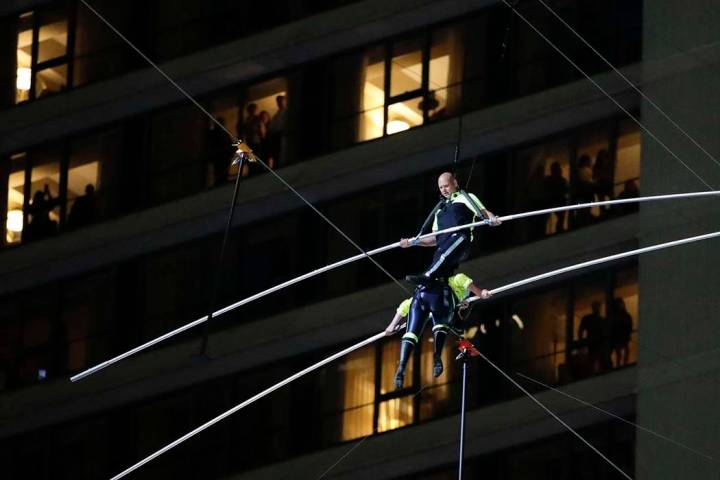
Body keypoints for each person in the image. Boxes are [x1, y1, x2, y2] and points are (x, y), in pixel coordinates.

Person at [386, 273, 491, 389]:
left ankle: (402, 368)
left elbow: (406, 305)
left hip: (426, 298)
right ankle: (435, 358)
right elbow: (474, 291)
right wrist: (481, 293)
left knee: (414, 333)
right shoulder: (457, 280)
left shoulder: (459, 299)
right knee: (443, 324)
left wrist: (392, 325)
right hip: (440, 296)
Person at [400, 172, 499, 284]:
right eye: (441, 187)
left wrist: (493, 219)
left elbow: (484, 212)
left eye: (446, 186)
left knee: (449, 245)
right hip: (445, 248)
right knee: (441, 261)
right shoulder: (439, 210)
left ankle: (427, 275)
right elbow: (434, 239)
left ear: (455, 183)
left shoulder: (466, 197)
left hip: (461, 241)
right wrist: (413, 242)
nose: (444, 190)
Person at [577, 301, 612, 374]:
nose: (598, 309)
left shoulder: (597, 319)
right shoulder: (593, 319)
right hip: (595, 344)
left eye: (598, 307)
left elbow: (581, 330)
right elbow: (580, 330)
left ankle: (600, 373)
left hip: (598, 344)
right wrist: (581, 343)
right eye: (597, 307)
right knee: (596, 360)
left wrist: (581, 342)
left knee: (599, 360)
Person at [544, 161, 568, 233]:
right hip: (556, 202)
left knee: (561, 218)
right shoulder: (553, 180)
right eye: (557, 169)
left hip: (558, 202)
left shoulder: (561, 180)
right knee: (560, 218)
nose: (560, 170)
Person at [610, 297, 633, 367]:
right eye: (619, 304)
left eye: (621, 303)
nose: (621, 305)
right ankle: (619, 366)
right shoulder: (616, 316)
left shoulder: (626, 315)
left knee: (626, 351)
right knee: (620, 354)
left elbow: (630, 325)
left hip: (623, 337)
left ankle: (623, 365)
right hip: (618, 337)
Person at [267, 95, 286, 167]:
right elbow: (272, 128)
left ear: (285, 101)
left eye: (281, 101)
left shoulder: (288, 112)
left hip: (284, 136)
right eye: (278, 101)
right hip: (277, 138)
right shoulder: (276, 116)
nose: (280, 103)